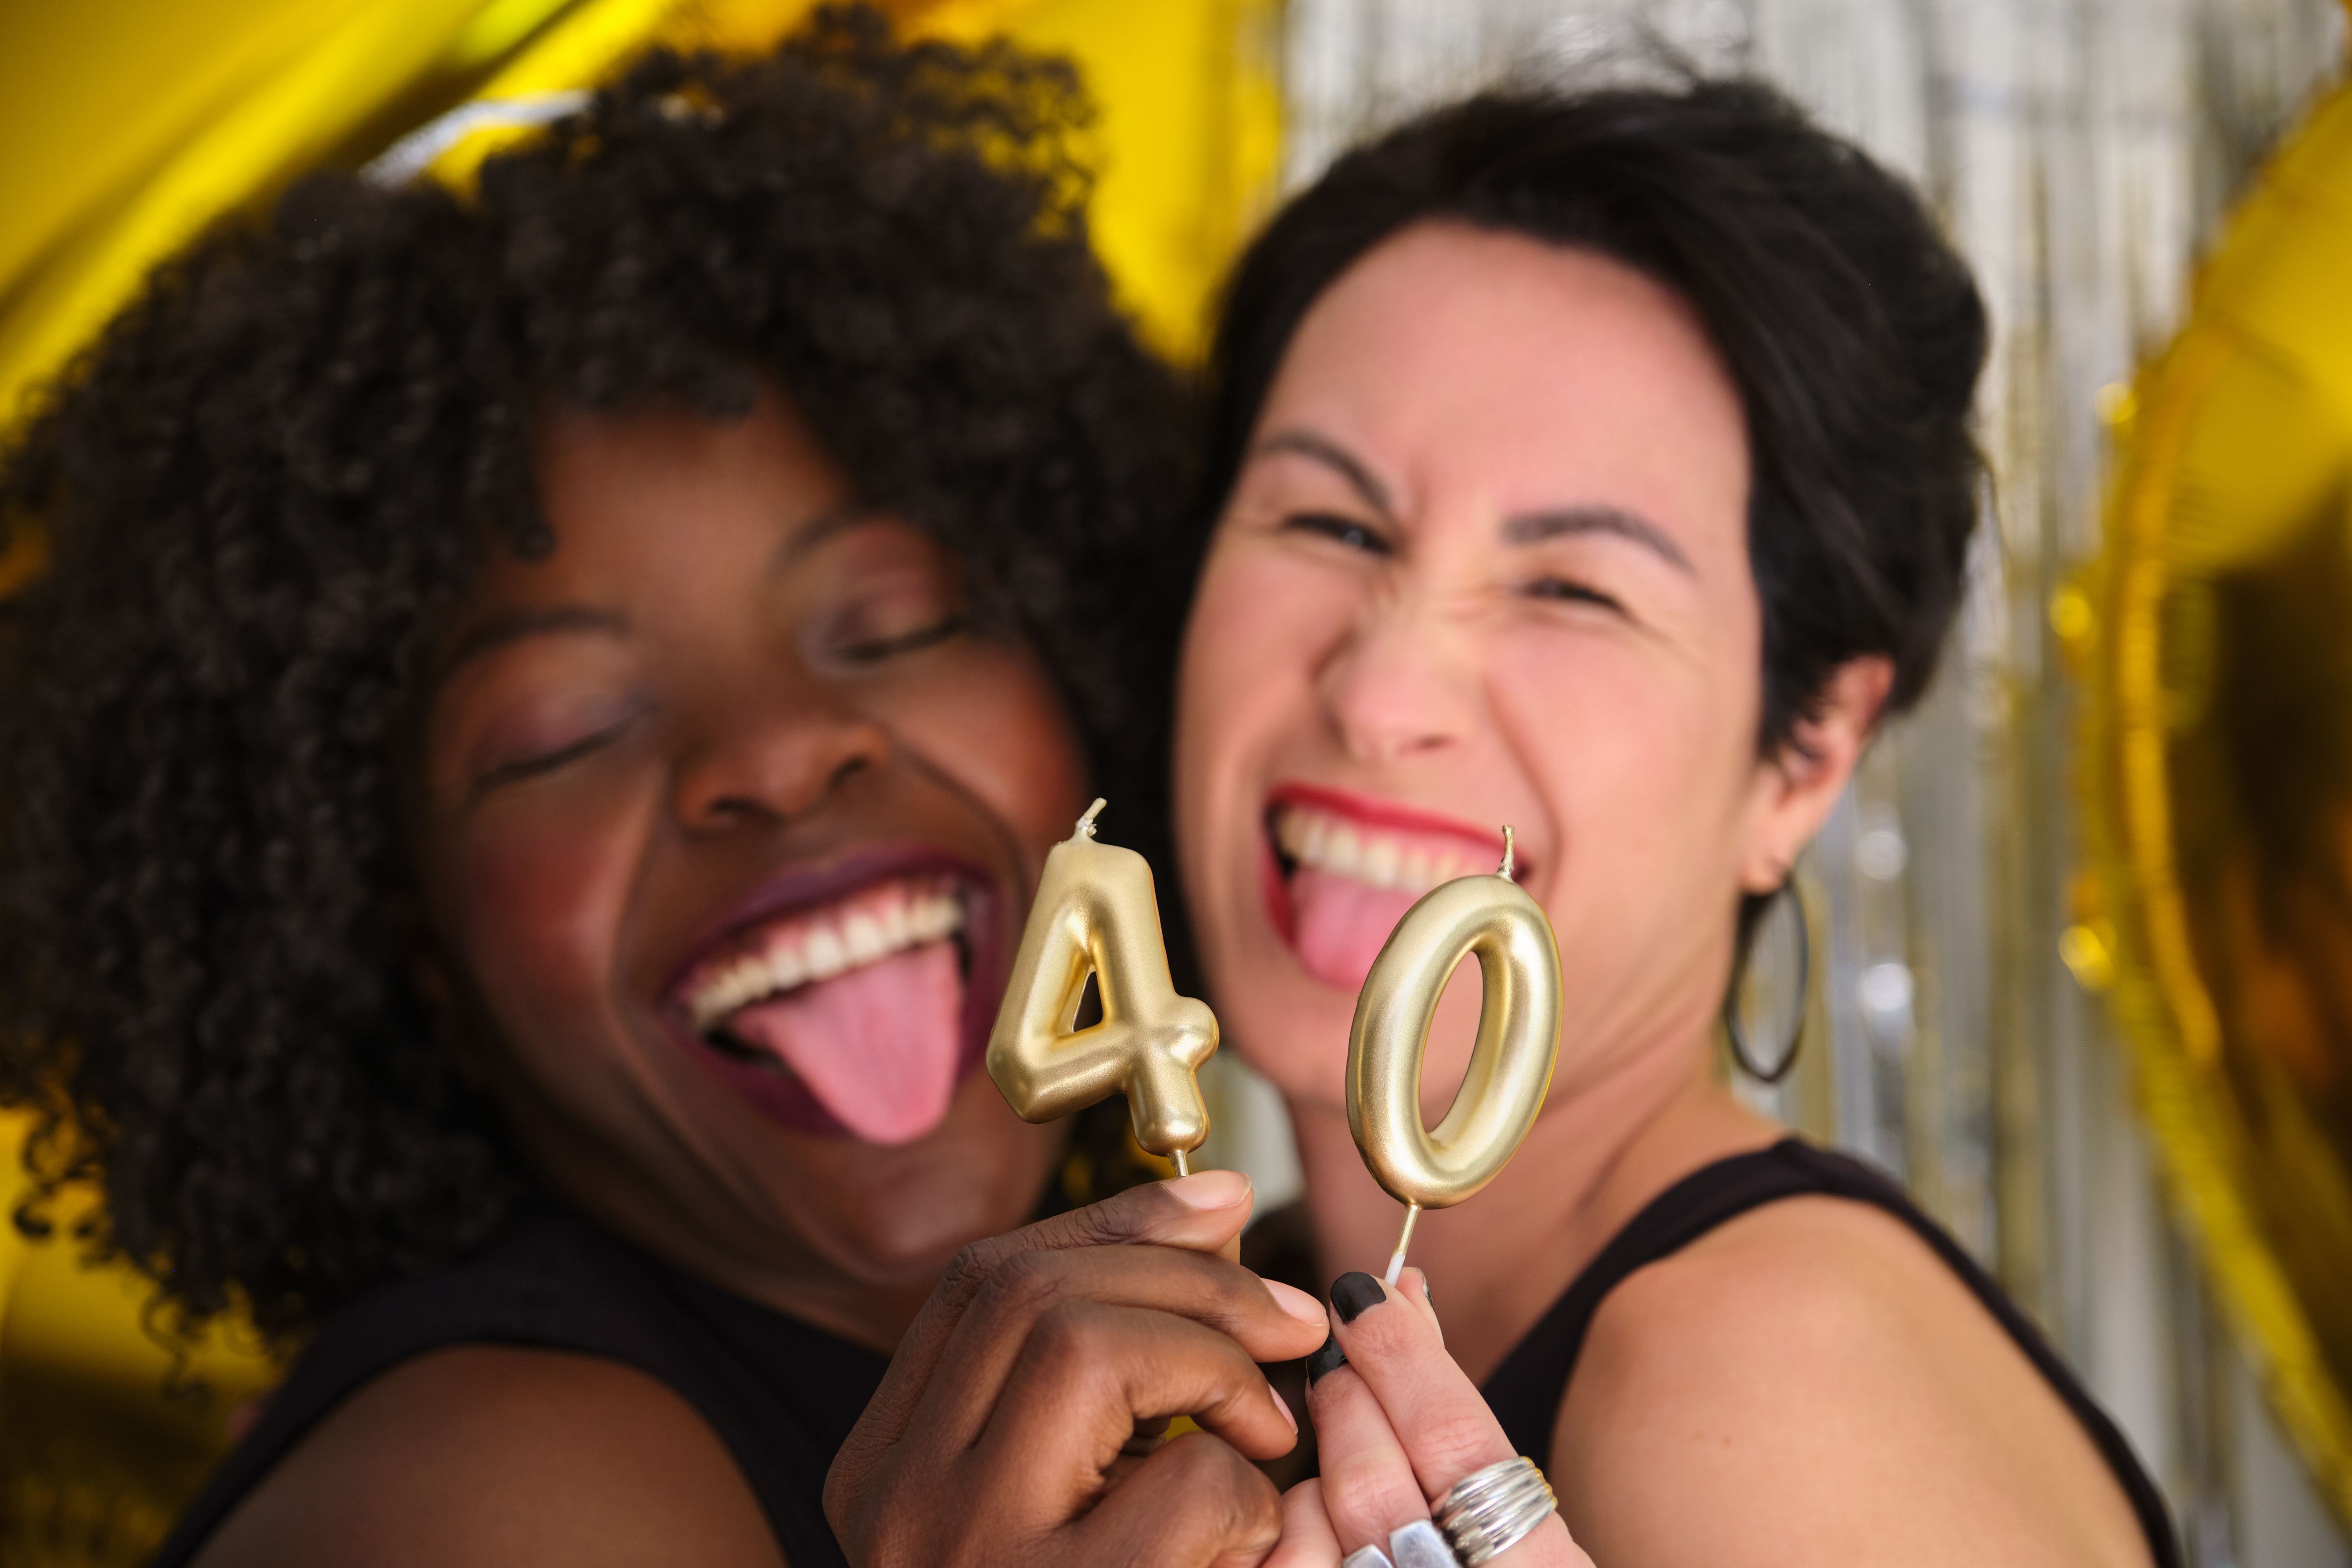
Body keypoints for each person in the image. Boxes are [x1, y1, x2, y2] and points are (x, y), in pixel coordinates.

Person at [0, 12, 1326, 1566]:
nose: (774, 749)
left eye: (892, 623)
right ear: (403, 945)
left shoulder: (1292, 1313)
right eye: (564, 730)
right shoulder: (496, 1493)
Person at [837, 74, 2180, 1568]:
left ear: (1804, 757)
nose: (1383, 687)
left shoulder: (1754, 1375)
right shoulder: (1238, 1318)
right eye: (1330, 524)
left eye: (1572, 588)